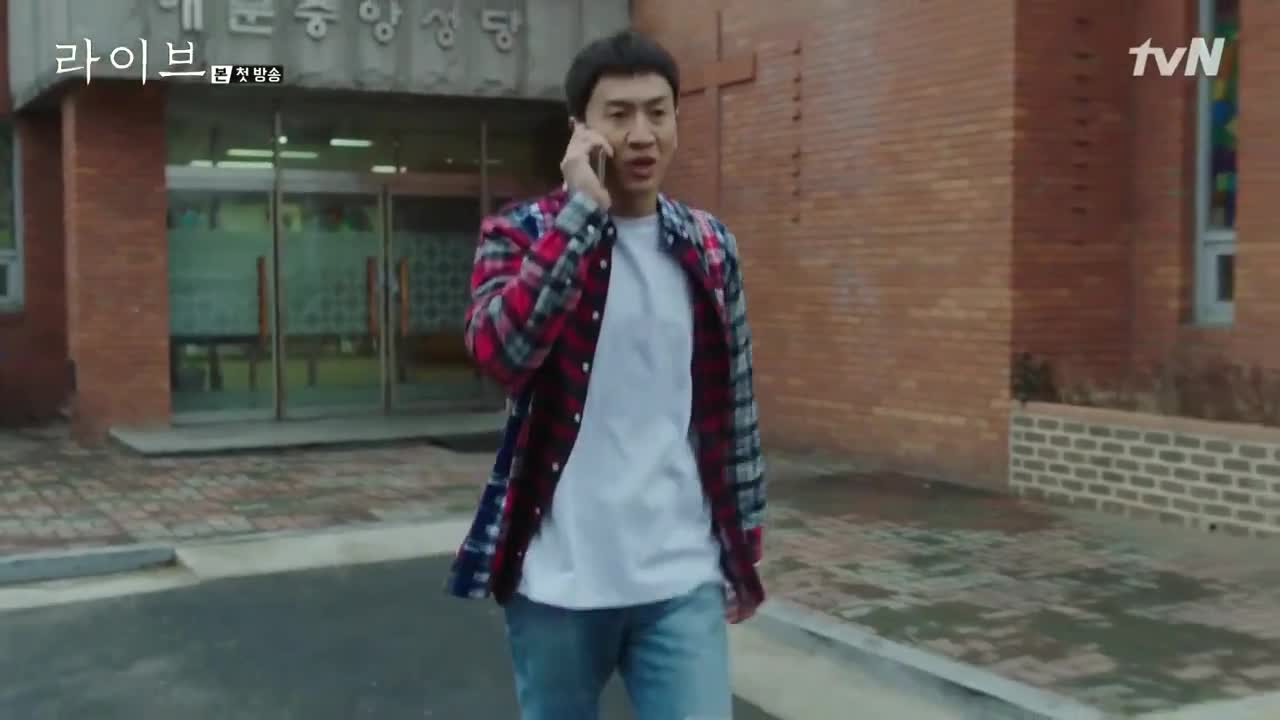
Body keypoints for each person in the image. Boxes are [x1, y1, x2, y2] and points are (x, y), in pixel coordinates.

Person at [445, 29, 766, 720]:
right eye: (619, 114)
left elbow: (734, 405)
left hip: (680, 576)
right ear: (582, 129)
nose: (641, 134)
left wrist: (744, 542)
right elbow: (500, 352)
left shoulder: (711, 246)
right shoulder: (520, 233)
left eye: (658, 112)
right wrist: (580, 212)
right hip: (559, 582)